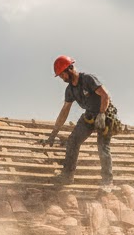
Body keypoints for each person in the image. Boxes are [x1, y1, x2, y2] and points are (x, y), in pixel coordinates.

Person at [45, 55, 119, 188]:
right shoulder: (70, 90)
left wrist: (101, 114)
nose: (62, 79)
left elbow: (105, 95)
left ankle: (107, 180)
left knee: (103, 147)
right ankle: (67, 176)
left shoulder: (88, 80)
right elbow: (64, 111)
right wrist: (54, 132)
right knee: (73, 141)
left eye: (63, 75)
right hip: (89, 116)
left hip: (105, 114)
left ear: (70, 69)